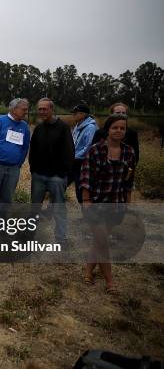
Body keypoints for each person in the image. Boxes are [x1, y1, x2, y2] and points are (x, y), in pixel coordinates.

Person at [80, 114, 135, 294]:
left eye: (122, 128)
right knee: (103, 242)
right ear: (108, 130)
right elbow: (85, 178)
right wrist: (87, 201)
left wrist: (127, 205)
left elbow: (128, 182)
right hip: (95, 204)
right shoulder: (95, 151)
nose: (119, 131)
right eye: (115, 128)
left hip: (116, 205)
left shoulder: (129, 152)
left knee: (98, 241)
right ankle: (110, 282)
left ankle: (88, 271)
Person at [28, 98, 74, 245]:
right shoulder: (39, 128)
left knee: (59, 209)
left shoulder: (63, 127)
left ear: (52, 109)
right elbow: (33, 150)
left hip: (57, 177)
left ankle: (61, 238)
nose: (41, 111)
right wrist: (33, 169)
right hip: (39, 176)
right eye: (39, 109)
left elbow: (69, 152)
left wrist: (62, 173)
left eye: (44, 109)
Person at [0, 98, 30, 204]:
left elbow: (25, 146)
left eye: (26, 109)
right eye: (23, 109)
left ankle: (2, 221)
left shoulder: (24, 127)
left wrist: (19, 163)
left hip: (13, 169)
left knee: (7, 200)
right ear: (14, 109)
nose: (26, 112)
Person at [69, 104, 97, 202]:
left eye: (75, 113)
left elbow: (88, 147)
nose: (73, 115)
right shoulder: (78, 125)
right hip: (73, 161)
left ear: (82, 114)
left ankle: (86, 215)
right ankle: (51, 209)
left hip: (81, 162)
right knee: (60, 185)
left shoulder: (90, 128)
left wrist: (74, 156)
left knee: (80, 189)